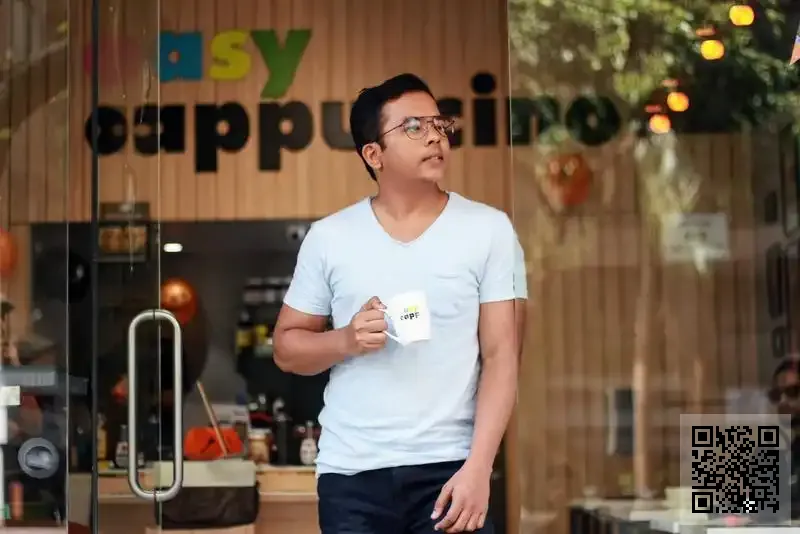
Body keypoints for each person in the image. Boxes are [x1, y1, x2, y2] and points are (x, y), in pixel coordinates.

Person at [273, 73, 519, 534]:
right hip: (352, 474)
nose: (435, 136)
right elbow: (286, 349)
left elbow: (502, 356)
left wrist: (480, 467)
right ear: (374, 154)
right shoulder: (330, 237)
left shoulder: (489, 229)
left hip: (451, 468)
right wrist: (346, 340)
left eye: (439, 124)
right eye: (413, 126)